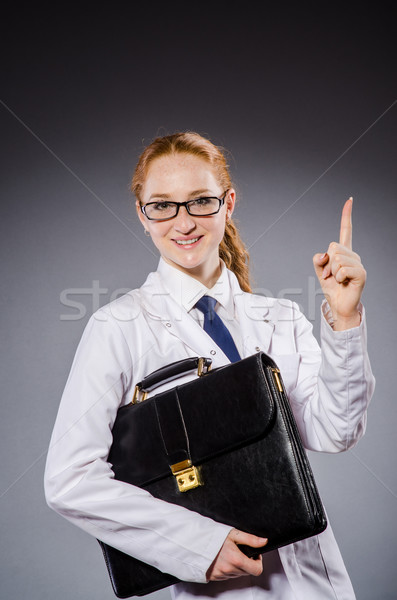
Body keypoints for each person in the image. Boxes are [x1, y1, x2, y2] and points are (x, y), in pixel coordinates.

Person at [44, 131, 375, 599]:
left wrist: (344, 319)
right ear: (142, 214)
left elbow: (335, 430)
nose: (184, 222)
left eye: (200, 201)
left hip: (318, 583)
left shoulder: (279, 317)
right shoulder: (117, 326)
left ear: (228, 203)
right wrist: (200, 545)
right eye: (162, 205)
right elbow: (69, 478)